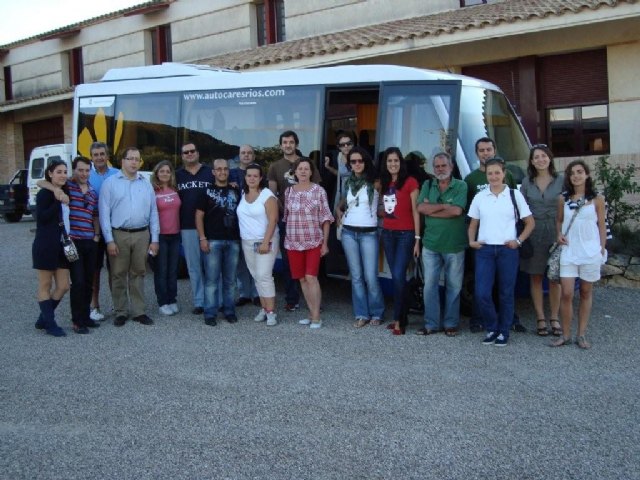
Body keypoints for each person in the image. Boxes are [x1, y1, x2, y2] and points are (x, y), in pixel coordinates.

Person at [468, 158, 534, 347]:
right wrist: (471, 241)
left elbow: (530, 223)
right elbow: (473, 223)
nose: (494, 176)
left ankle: (503, 331)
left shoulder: (514, 195)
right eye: (490, 173)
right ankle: (492, 327)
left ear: (504, 173)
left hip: (507, 250)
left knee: (506, 293)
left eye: (497, 172)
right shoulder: (480, 196)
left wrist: (519, 241)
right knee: (482, 293)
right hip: (485, 250)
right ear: (486, 175)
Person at [464, 137, 526, 333]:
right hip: (484, 243)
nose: (485, 153)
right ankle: (479, 320)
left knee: (505, 287)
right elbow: (470, 214)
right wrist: (472, 240)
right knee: (481, 286)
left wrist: (518, 239)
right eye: (481, 150)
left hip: (506, 242)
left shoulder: (507, 178)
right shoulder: (471, 179)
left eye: (488, 149)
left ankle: (508, 322)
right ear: (477, 154)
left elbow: (517, 206)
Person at [39, 156, 101, 334]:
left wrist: (96, 235)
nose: (84, 173)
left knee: (89, 281)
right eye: (80, 170)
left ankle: (85, 316)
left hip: (90, 241)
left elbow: (94, 215)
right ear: (74, 171)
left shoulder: (92, 191)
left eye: (87, 170)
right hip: (73, 243)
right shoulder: (68, 187)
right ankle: (77, 321)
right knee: (78, 282)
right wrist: (56, 191)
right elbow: (42, 182)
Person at [99, 147, 160, 327]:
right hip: (119, 234)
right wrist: (109, 240)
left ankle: (139, 311)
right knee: (118, 274)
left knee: (139, 273)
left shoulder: (146, 184)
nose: (134, 162)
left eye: (137, 159)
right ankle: (121, 311)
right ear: (122, 161)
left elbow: (153, 213)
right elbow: (104, 214)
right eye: (130, 158)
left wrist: (154, 239)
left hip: (142, 234)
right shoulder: (110, 184)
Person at [551, 160, 607, 350]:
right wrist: (558, 234)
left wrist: (601, 249)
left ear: (587, 174)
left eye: (579, 171)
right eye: (572, 173)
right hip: (569, 250)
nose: (576, 175)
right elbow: (558, 221)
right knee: (566, 293)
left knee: (585, 292)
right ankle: (565, 334)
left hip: (590, 251)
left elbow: (602, 225)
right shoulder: (563, 199)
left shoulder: (597, 198)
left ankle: (581, 334)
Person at [268, 130, 321, 312]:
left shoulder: (307, 163)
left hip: (310, 223)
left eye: (291, 142)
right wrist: (286, 212)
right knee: (290, 264)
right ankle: (292, 299)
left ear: (296, 144)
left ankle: (314, 304)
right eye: (285, 142)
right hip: (287, 221)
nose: (288, 145)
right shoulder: (275, 166)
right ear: (281, 145)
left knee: (311, 267)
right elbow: (274, 195)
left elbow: (318, 190)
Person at [416, 152, 467, 337]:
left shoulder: (461, 185)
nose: (440, 169)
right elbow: (421, 208)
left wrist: (433, 209)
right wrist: (444, 206)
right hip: (430, 244)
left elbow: (456, 211)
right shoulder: (428, 184)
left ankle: (451, 324)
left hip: (454, 245)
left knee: (454, 286)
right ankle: (431, 324)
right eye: (436, 166)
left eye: (443, 166)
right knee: (429, 286)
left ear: (451, 167)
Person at [335, 147, 384, 328]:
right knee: (356, 276)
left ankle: (377, 313)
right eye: (353, 161)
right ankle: (361, 313)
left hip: (369, 233)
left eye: (360, 161)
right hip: (349, 232)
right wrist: (339, 211)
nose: (356, 164)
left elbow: (386, 203)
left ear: (366, 162)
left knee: (371, 276)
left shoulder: (376, 182)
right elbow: (343, 203)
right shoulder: (348, 182)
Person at [519, 145, 564, 336]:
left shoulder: (561, 180)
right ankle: (540, 317)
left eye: (543, 156)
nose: (540, 160)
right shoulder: (527, 182)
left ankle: (554, 316)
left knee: (555, 277)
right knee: (536, 276)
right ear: (531, 161)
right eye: (536, 157)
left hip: (556, 232)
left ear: (550, 158)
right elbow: (521, 209)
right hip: (534, 233)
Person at [284, 158, 333, 328]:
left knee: (311, 277)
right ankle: (311, 314)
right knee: (302, 279)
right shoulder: (289, 192)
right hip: (293, 242)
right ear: (295, 172)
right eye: (300, 169)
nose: (303, 171)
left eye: (306, 169)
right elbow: (287, 217)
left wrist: (325, 243)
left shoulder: (319, 191)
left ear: (311, 172)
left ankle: (317, 316)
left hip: (313, 241)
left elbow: (326, 218)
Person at [379, 147, 421, 335]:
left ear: (401, 162)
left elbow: (415, 211)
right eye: (389, 161)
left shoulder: (410, 182)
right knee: (396, 277)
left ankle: (400, 320)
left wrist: (418, 239)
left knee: (398, 276)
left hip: (406, 235)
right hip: (387, 233)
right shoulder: (385, 182)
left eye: (396, 160)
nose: (393, 164)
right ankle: (399, 316)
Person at [195, 158, 242, 326]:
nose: (222, 172)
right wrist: (202, 238)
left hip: (233, 241)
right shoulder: (205, 191)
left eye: (225, 169)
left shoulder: (236, 191)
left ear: (229, 171)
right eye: (219, 169)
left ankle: (229, 310)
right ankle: (210, 313)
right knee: (212, 280)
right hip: (212, 240)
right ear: (213, 172)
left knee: (230, 280)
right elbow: (199, 216)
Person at [236, 163, 280, 326]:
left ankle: (271, 312)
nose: (252, 178)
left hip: (265, 241)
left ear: (261, 178)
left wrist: (266, 242)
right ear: (245, 177)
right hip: (247, 241)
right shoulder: (242, 193)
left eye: (255, 175)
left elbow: (273, 220)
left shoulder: (267, 195)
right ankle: (263, 307)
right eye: (249, 175)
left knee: (264, 276)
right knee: (256, 276)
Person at [32, 159, 71, 337]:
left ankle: (43, 318)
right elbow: (43, 218)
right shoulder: (44, 195)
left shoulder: (64, 190)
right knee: (45, 284)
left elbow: (42, 181)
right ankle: (50, 323)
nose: (63, 175)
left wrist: (59, 192)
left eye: (65, 171)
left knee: (63, 285)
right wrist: (57, 200)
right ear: (50, 173)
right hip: (46, 244)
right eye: (59, 172)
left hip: (62, 245)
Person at [176, 142, 214, 315]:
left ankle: (214, 299)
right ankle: (199, 301)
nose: (189, 154)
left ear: (198, 153)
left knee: (212, 265)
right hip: (187, 226)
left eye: (192, 151)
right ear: (182, 156)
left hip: (211, 226)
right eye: (186, 152)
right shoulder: (177, 175)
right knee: (194, 266)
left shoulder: (209, 172)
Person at [88, 142, 119, 322]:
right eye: (95, 154)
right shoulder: (85, 175)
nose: (99, 157)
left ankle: (117, 303)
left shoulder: (116, 174)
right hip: (93, 231)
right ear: (91, 157)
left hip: (114, 228)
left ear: (107, 156)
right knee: (95, 269)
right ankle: (94, 305)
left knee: (115, 269)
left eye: (102, 154)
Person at [151, 160, 181, 316]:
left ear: (171, 174)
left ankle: (172, 299)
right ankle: (162, 302)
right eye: (161, 171)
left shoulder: (175, 189)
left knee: (172, 270)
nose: (164, 174)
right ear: (157, 173)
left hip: (175, 235)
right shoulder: (153, 191)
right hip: (160, 236)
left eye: (167, 171)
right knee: (161, 270)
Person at [230, 145, 259, 306]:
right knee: (240, 261)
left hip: (253, 224)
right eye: (243, 153)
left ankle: (256, 294)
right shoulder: (232, 174)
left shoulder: (259, 173)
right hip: (235, 223)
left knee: (254, 260)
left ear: (253, 156)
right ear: (239, 156)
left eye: (249, 153)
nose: (246, 155)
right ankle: (244, 293)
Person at [324, 132, 354, 211]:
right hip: (342, 191)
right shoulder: (339, 157)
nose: (346, 146)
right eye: (342, 145)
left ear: (353, 144)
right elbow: (340, 174)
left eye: (348, 143)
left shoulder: (357, 157)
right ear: (338, 147)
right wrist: (328, 167)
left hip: (354, 190)